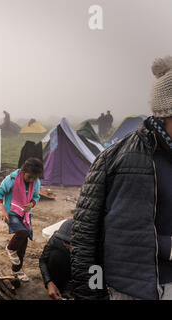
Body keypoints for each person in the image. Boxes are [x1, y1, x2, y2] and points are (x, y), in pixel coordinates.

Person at [71, 56, 172, 300]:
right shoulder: (116, 159)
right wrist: (90, 293)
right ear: (164, 114)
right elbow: (85, 234)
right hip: (132, 289)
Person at [0, 157, 42, 281]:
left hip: (25, 215)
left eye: (34, 178)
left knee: (23, 243)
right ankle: (10, 248)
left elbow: (36, 197)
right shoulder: (11, 179)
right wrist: (2, 210)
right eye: (29, 177)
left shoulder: (36, 182)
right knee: (23, 232)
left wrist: (31, 204)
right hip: (11, 213)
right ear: (23, 171)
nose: (32, 180)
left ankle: (17, 271)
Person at [39, 219, 73, 300]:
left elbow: (97, 273)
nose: (66, 245)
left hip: (84, 275)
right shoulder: (57, 238)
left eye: (71, 244)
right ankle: (60, 291)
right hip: (66, 270)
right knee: (55, 256)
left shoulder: (93, 246)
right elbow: (43, 261)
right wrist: (49, 282)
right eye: (64, 243)